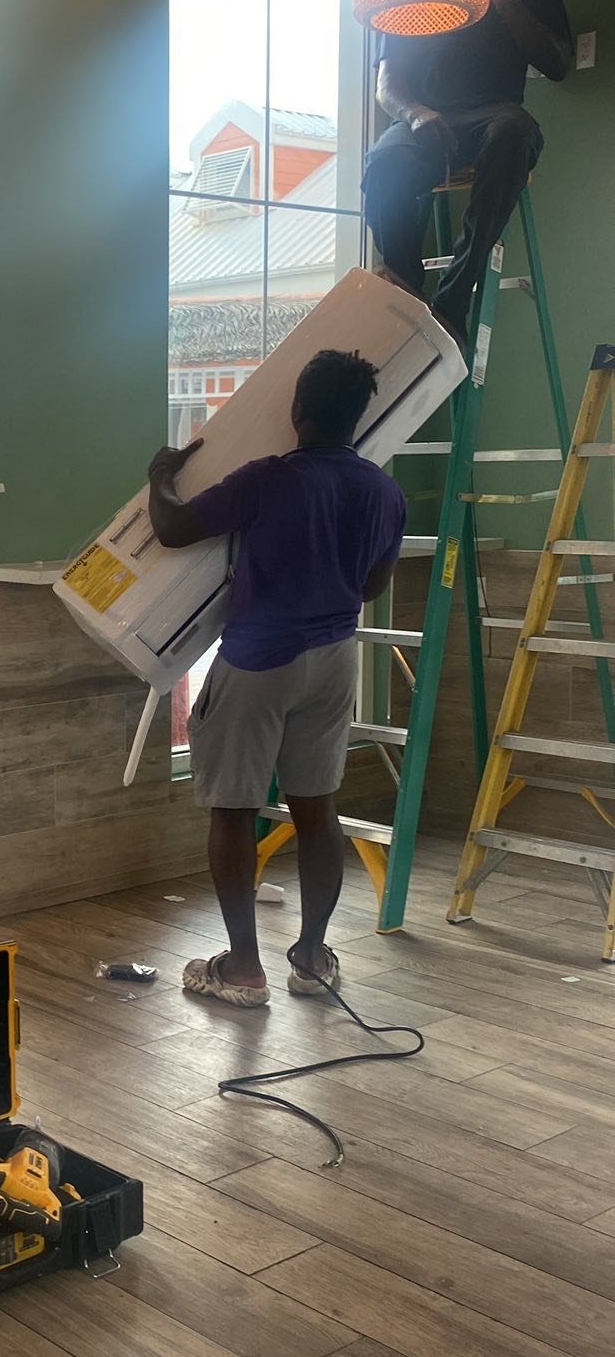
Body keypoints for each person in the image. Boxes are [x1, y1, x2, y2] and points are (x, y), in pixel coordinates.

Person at [147, 348, 406, 1007]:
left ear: (297, 408)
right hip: (335, 658)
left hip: (260, 660)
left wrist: (161, 475)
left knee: (234, 811)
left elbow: (173, 528)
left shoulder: (271, 478)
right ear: (357, 415)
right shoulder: (384, 491)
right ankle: (313, 960)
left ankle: (243, 968)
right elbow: (372, 585)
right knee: (318, 809)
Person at [363, 0, 573, 348]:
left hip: (496, 113)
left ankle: (453, 298)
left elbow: (558, 65)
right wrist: (415, 113)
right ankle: (408, 300)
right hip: (425, 117)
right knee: (384, 162)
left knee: (514, 134)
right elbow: (387, 85)